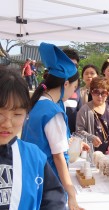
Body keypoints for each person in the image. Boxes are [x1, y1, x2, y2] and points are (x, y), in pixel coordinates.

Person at [21, 43, 84, 210]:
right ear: (65, 84)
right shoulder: (53, 111)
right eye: (74, 87)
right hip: (49, 181)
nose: (73, 93)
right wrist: (71, 194)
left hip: (33, 176)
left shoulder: (36, 103)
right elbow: (58, 157)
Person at [0, 67, 66, 209]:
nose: (7, 124)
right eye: (0, 114)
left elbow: (53, 198)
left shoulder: (34, 157)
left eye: (17, 114)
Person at [76, 76, 109, 154]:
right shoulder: (84, 110)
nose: (100, 96)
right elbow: (78, 131)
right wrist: (91, 138)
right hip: (93, 154)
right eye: (96, 92)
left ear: (108, 93)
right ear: (91, 92)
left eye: (103, 93)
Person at [63, 48, 82, 134]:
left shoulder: (77, 87)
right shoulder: (50, 86)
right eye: (69, 64)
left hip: (71, 135)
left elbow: (79, 111)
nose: (72, 69)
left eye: (75, 66)